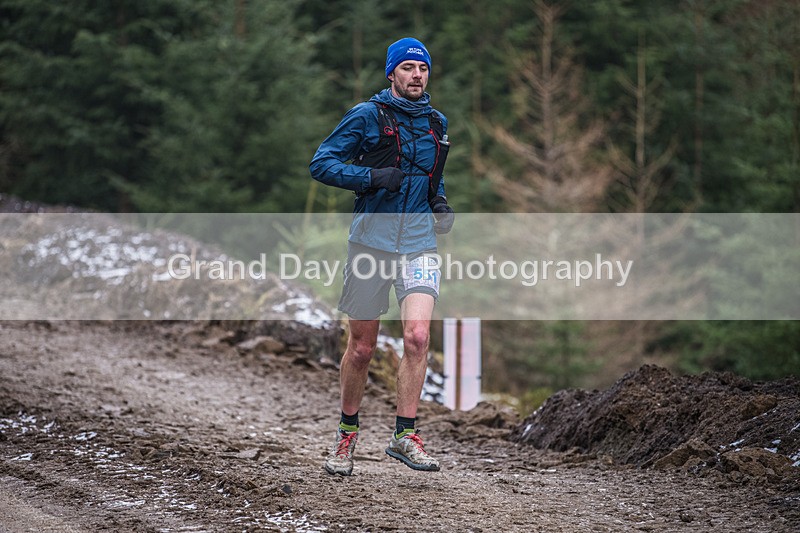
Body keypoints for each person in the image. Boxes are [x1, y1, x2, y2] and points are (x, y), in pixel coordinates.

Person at [309, 37, 455, 476]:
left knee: (416, 337)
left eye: (422, 69)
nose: (416, 75)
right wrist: (370, 176)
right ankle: (346, 433)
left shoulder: (436, 122)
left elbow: (433, 178)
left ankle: (404, 435)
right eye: (407, 67)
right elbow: (322, 163)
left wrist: (440, 204)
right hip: (370, 243)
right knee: (362, 348)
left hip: (417, 244)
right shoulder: (366, 116)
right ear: (391, 73)